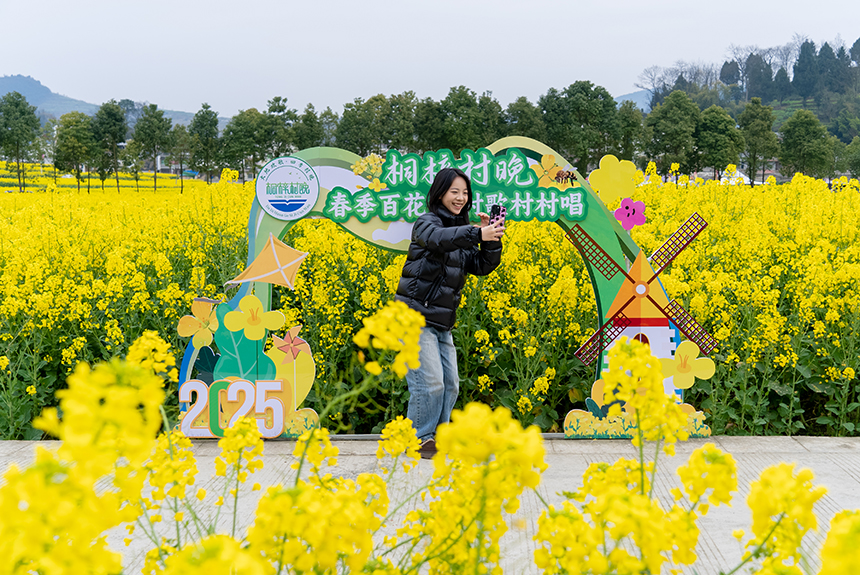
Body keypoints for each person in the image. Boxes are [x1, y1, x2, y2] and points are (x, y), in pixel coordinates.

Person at [395, 167, 505, 458]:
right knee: (429, 382)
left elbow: (481, 266)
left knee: (450, 385)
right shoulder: (426, 224)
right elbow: (439, 239)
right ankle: (418, 438)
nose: (460, 197)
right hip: (415, 316)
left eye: (465, 193)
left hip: (441, 321)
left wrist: (491, 240)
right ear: (440, 193)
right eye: (454, 191)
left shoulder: (462, 234)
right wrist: (476, 232)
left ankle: (438, 438)